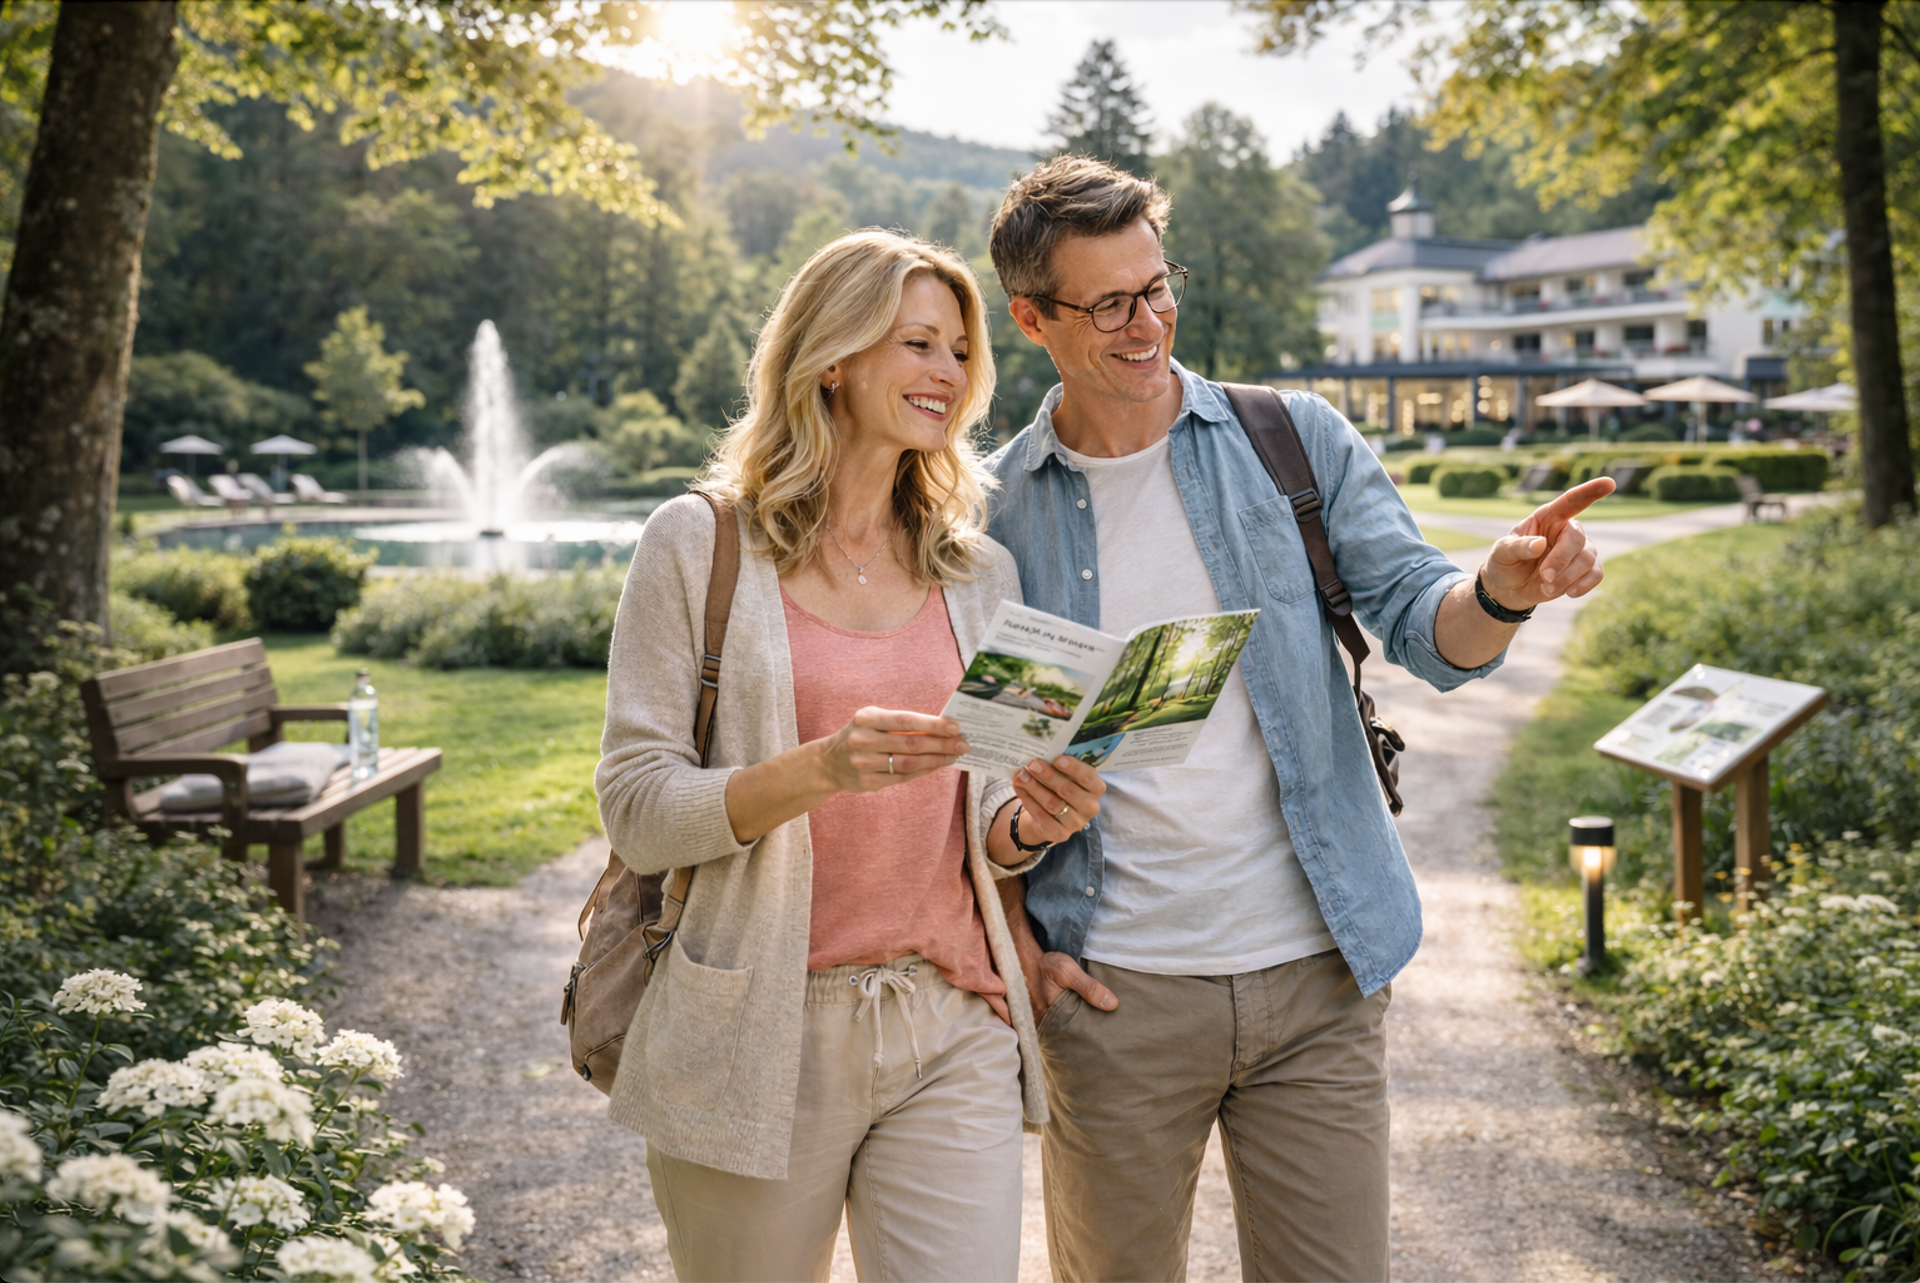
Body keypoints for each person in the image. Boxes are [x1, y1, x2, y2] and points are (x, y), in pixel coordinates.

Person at [981, 156, 1612, 1281]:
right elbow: (964, 777)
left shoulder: (1292, 440)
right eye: (1109, 302)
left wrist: (1507, 588)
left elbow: (1430, 628)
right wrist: (1018, 933)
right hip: (1114, 993)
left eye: (1158, 284)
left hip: (1317, 977)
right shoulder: (989, 512)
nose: (1147, 322)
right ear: (1031, 316)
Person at [594, 229, 1105, 1282]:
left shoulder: (979, 570)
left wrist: (1032, 818)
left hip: (947, 1013)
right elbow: (638, 810)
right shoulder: (697, 545)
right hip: (756, 1021)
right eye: (918, 343)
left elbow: (988, 813)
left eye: (961, 353)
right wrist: (817, 770)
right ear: (834, 356)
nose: (949, 376)